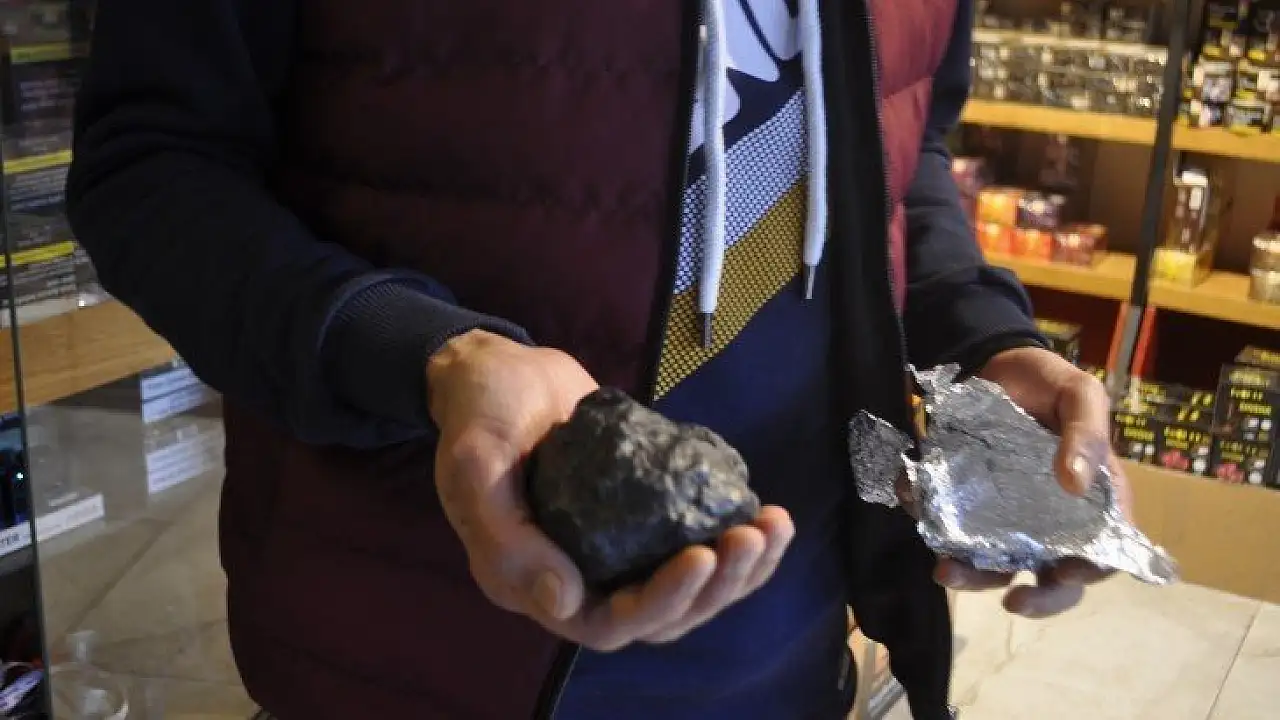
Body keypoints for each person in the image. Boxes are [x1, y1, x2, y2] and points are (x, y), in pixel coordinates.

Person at [66, 1, 1127, 718]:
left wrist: (983, 337)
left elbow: (897, 150)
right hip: (407, 659)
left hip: (792, 650)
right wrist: (420, 354)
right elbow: (151, 168)